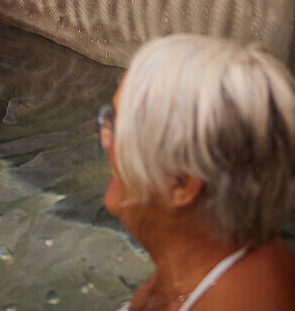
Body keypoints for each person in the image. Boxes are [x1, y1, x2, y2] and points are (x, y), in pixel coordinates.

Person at [97, 34, 295, 311]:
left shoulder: (242, 300)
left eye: (118, 128)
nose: (104, 139)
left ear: (180, 183)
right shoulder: (220, 254)